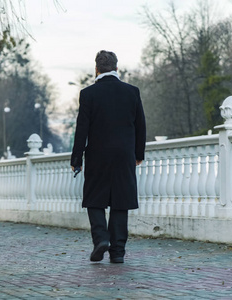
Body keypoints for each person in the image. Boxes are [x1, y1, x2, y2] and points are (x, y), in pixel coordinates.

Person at [71, 50, 146, 263]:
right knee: (120, 201)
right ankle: (118, 252)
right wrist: (138, 154)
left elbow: (82, 130)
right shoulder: (132, 92)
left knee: (95, 199)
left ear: (96, 69)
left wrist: (76, 160)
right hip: (124, 154)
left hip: (97, 154)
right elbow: (140, 125)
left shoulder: (88, 94)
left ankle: (101, 239)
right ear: (116, 68)